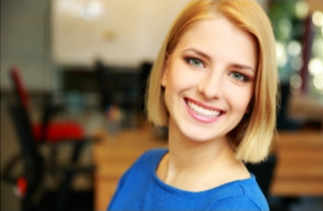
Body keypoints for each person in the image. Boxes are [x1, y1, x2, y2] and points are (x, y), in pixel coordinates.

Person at [108, 0, 277, 210]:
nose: (210, 90)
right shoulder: (144, 165)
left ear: (254, 98)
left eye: (237, 75)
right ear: (166, 70)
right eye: (196, 62)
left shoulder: (239, 206)